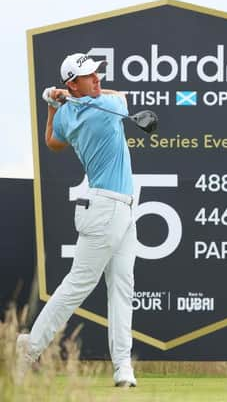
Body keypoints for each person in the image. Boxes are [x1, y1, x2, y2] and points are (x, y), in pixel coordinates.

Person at [16, 53, 138, 387]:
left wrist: (55, 104)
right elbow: (122, 98)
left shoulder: (70, 113)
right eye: (89, 76)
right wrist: (66, 98)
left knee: (122, 289)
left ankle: (123, 368)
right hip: (104, 208)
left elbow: (52, 141)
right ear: (73, 83)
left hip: (122, 208)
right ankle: (29, 348)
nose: (97, 79)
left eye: (98, 73)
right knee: (79, 284)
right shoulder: (105, 110)